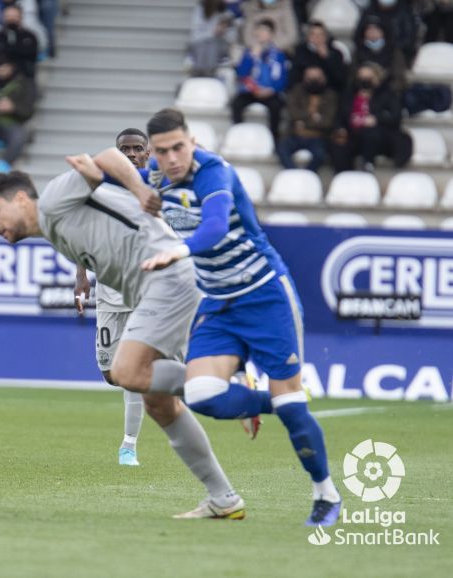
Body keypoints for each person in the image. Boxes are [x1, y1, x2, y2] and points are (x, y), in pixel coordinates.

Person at [105, 107, 342, 527]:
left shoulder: (214, 172)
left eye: (179, 146)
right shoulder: (155, 175)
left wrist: (180, 250)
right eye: (162, 151)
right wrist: (110, 177)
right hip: (217, 302)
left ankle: (326, 495)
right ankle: (280, 405)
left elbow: (214, 226)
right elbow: (107, 166)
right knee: (202, 396)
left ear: (192, 141)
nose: (172, 157)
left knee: (288, 402)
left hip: (266, 296)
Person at [0, 160, 248, 520]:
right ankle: (223, 497)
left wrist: (140, 191)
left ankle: (223, 380)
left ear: (23, 199)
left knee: (127, 371)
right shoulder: (56, 229)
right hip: (155, 289)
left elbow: (101, 160)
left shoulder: (55, 197)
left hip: (167, 278)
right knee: (157, 402)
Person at [73, 128, 151, 467]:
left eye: (138, 149)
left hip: (145, 292)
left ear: (148, 154)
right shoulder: (99, 191)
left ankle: (128, 445)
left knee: (131, 373)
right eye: (125, 149)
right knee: (109, 372)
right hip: (108, 292)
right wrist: (81, 276)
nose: (132, 154)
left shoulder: (157, 189)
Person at [329, 62, 411, 173]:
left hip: (380, 135)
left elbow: (396, 116)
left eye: (368, 77)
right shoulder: (349, 95)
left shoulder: (387, 94)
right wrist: (340, 128)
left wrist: (376, 119)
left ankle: (368, 165)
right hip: (353, 133)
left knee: (370, 134)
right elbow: (340, 115)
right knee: (339, 143)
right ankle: (343, 175)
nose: (364, 80)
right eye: (361, 77)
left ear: (377, 78)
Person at [231, 18, 288, 143]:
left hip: (269, 92)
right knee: (236, 103)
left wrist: (271, 90)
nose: (260, 34)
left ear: (271, 34)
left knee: (276, 106)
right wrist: (251, 58)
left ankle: (274, 139)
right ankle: (237, 135)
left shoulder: (278, 54)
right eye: (258, 30)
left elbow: (282, 79)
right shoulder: (249, 52)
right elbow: (242, 74)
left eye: (264, 31)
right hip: (251, 91)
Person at [277, 66, 337, 172]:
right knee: (282, 149)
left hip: (318, 136)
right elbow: (292, 112)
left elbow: (328, 121)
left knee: (320, 155)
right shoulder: (296, 91)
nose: (313, 81)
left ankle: (308, 175)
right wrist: (313, 116)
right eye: (310, 78)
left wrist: (304, 123)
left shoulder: (330, 95)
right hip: (295, 135)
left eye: (317, 78)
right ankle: (294, 173)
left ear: (323, 78)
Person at [288, 20, 347, 92]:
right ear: (308, 37)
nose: (317, 37)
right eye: (313, 34)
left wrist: (328, 58)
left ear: (326, 36)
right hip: (305, 91)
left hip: (327, 92)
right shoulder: (300, 52)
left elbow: (340, 79)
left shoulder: (336, 53)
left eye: (320, 34)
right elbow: (293, 77)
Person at [0, 3, 39, 79]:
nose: (11, 19)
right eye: (8, 16)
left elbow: (31, 55)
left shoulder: (30, 36)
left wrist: (12, 66)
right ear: (3, 18)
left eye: (14, 16)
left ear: (21, 17)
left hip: (23, 76)